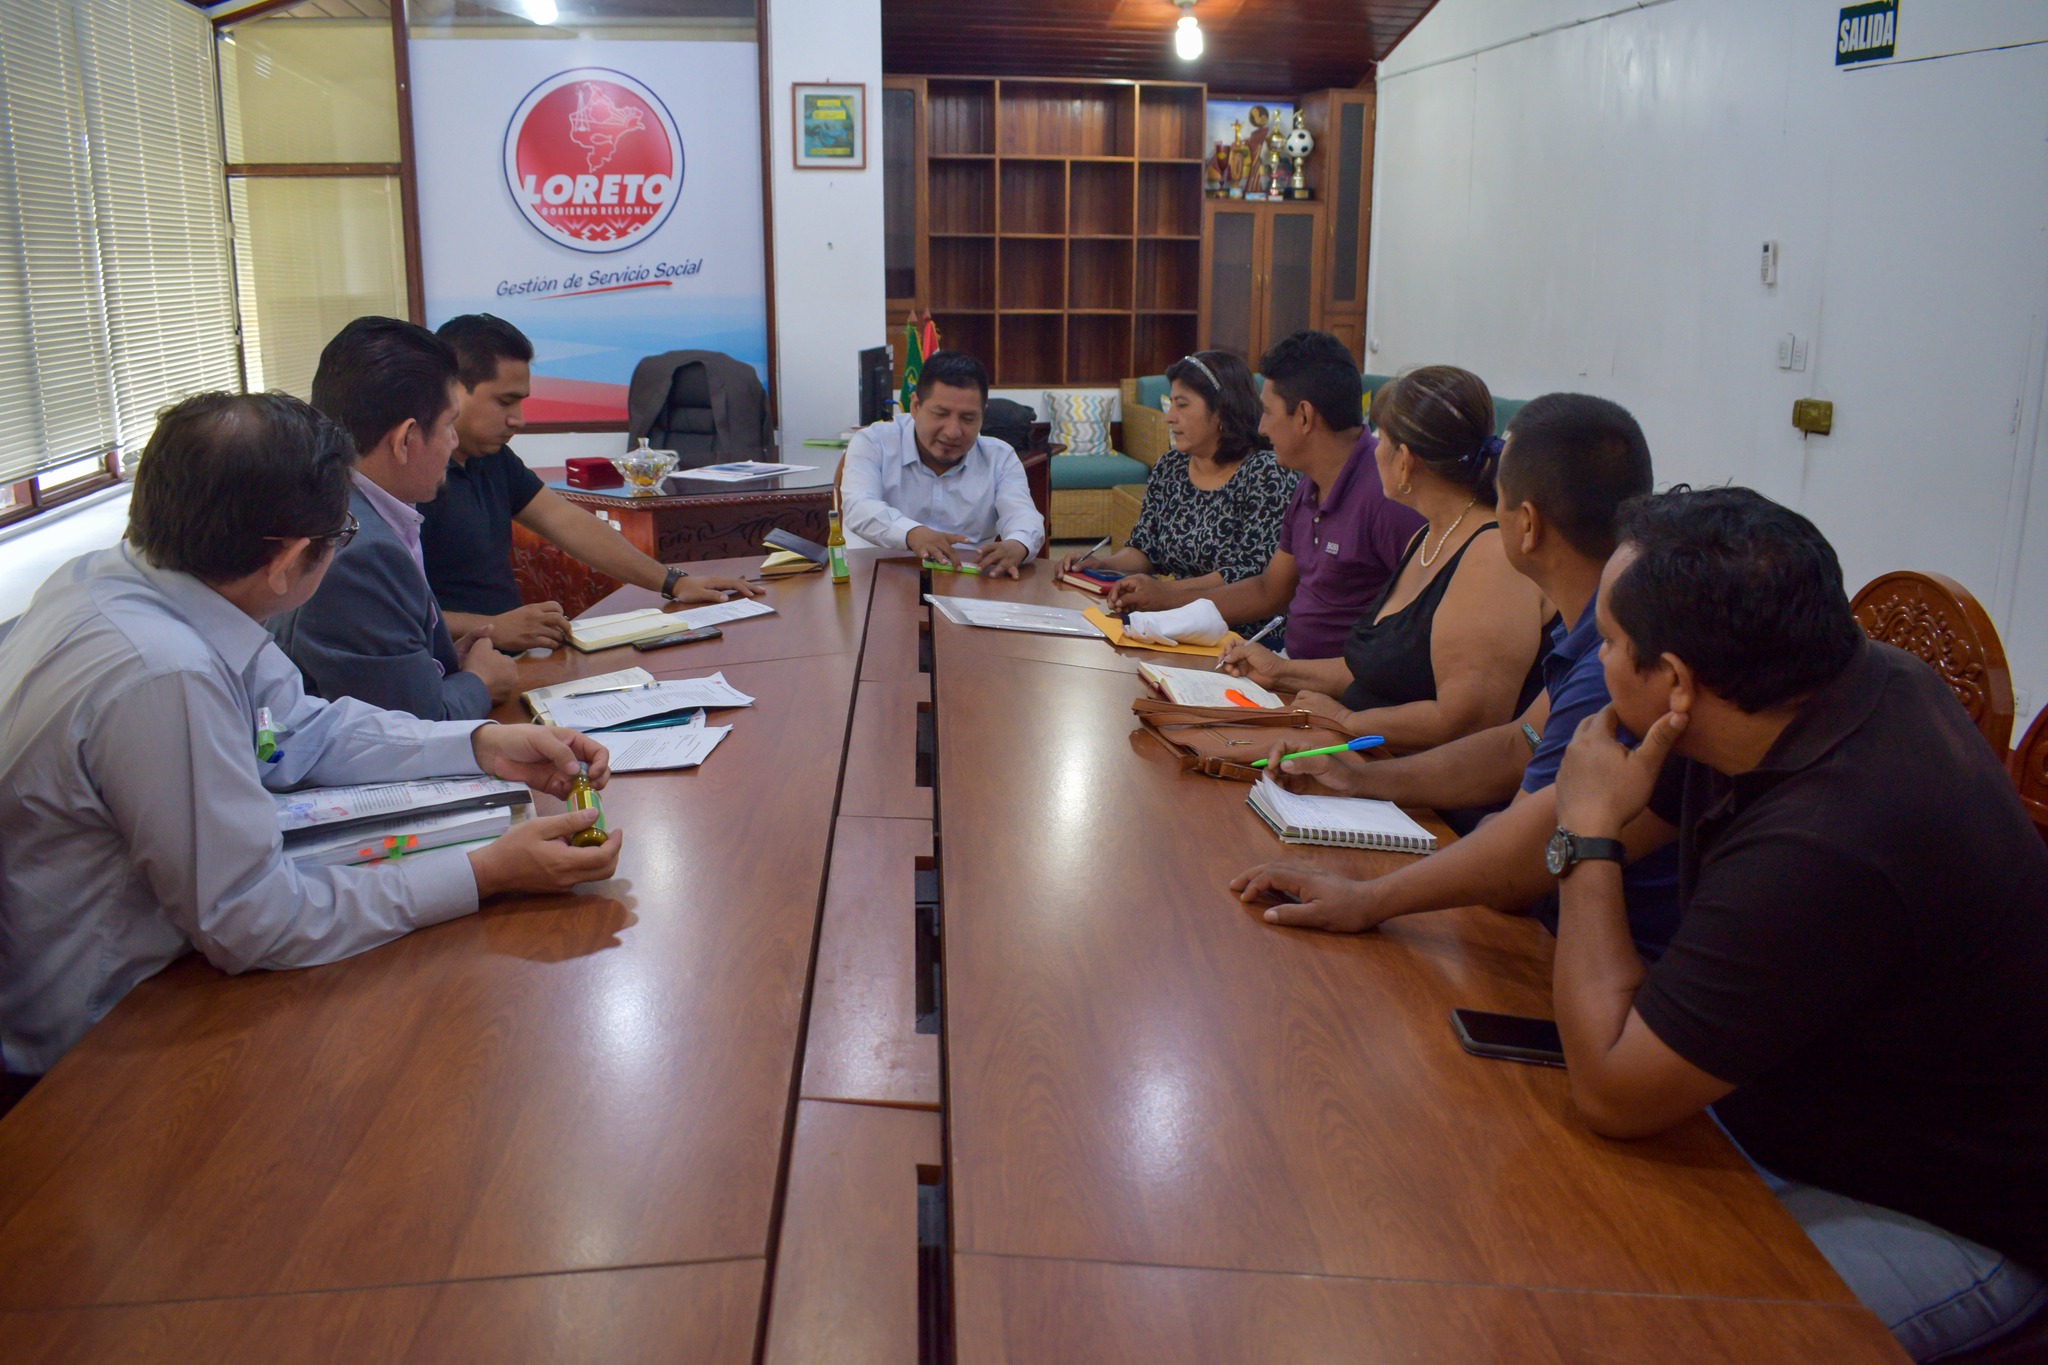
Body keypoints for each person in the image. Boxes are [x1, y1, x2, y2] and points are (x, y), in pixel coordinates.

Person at [1545, 488, 2045, 1361]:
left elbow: (1614, 1091)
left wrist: (1586, 833)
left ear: (1678, 681)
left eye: (1614, 642)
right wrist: (1369, 895)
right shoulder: (1815, 684)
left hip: (1949, 1214)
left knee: (1626, 1330)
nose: (1601, 656)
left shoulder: (1835, 835)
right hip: (1784, 1120)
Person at [0, 392, 624, 1084]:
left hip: (165, 966)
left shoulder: (121, 578)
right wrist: (486, 873)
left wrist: (478, 745)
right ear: (288, 560)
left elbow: (297, 731)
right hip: (105, 1047)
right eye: (342, 536)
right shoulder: (163, 675)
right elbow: (252, 919)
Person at [1230, 393, 1680, 959]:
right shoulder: (1590, 628)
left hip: (1589, 950)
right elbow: (1520, 743)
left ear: (1526, 525)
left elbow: (1522, 861)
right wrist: (1363, 780)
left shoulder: (1614, 662)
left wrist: (1367, 899)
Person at [1221, 365, 1553, 756]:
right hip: (1370, 754)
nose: (1373, 449)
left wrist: (1345, 721)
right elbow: (1377, 673)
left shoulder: (1491, 556)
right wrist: (1282, 672)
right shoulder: (1426, 537)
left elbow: (1469, 722)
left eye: (1380, 437)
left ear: (1405, 461)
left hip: (1425, 792)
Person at [419, 313, 759, 653]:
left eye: (521, 401)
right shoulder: (412, 480)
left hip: (508, 658)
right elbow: (390, 615)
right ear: (452, 390)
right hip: (451, 670)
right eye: (504, 401)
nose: (518, 420)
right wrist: (490, 628)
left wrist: (674, 582)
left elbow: (565, 521)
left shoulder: (492, 457)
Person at [1104, 330, 1422, 661]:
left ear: (1303, 417)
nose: (1261, 428)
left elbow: (1410, 646)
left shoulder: (1387, 495)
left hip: (1334, 695)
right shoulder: (1310, 485)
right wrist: (1163, 600)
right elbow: (1268, 590)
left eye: (1268, 413)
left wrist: (1293, 679)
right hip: (1292, 671)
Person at [271, 317, 515, 721]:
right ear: (405, 440)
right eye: (449, 424)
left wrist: (440, 660)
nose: (454, 441)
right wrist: (479, 682)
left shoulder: (348, 504)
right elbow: (414, 730)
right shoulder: (358, 552)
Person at [1057, 351, 1298, 638]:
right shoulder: (1171, 466)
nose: (1170, 417)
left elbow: (1248, 575)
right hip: (1174, 623)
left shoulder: (1265, 473)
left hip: (1240, 633)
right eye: (1171, 404)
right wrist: (1101, 565)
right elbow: (1145, 549)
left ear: (1221, 409)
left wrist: (1164, 592)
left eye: (1182, 405)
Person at [839, 349, 1045, 577]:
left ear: (982, 415)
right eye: (940, 414)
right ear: (915, 406)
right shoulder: (874, 442)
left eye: (968, 418)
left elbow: (1023, 515)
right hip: (877, 578)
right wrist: (912, 533)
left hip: (966, 585)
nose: (953, 432)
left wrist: (1018, 544)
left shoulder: (1000, 457)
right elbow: (858, 506)